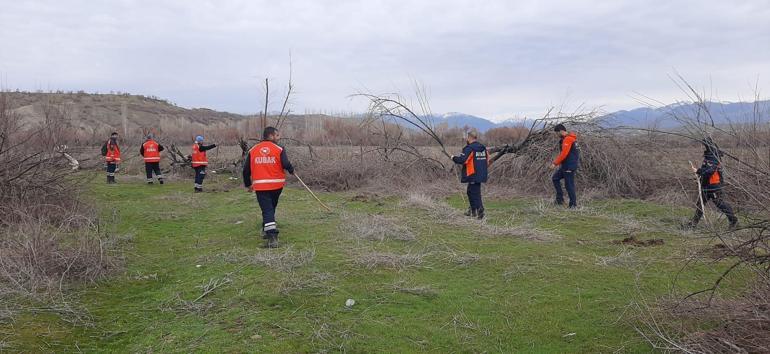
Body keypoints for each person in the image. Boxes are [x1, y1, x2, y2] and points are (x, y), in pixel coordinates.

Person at [242, 127, 294, 248]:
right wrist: (291, 170)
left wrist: (248, 184)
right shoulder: (279, 149)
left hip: (261, 186)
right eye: (277, 135)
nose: (278, 137)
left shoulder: (253, 150)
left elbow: (246, 170)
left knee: (267, 209)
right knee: (270, 208)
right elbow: (286, 164)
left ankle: (272, 237)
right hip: (277, 185)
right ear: (270, 136)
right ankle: (268, 229)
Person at [686, 138, 738, 230]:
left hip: (714, 186)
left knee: (720, 204)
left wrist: (698, 171)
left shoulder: (714, 157)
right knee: (700, 204)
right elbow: (706, 170)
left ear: (708, 146)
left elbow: (710, 171)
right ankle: (693, 224)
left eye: (704, 145)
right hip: (706, 185)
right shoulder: (708, 156)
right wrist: (699, 177)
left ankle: (733, 221)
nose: (702, 147)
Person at [451, 130, 488, 219]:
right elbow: (487, 160)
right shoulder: (483, 148)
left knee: (474, 192)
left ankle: (480, 211)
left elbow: (463, 160)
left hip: (473, 174)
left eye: (467, 138)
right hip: (481, 173)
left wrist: (453, 158)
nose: (466, 139)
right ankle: (473, 210)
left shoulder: (469, 148)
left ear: (469, 138)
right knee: (471, 191)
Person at [549, 124, 580, 208]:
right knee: (555, 178)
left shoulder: (568, 139)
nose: (556, 135)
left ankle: (573, 205)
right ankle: (560, 200)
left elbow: (564, 154)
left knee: (569, 185)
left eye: (557, 133)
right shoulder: (569, 138)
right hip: (566, 165)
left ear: (561, 131)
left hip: (569, 166)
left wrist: (554, 163)